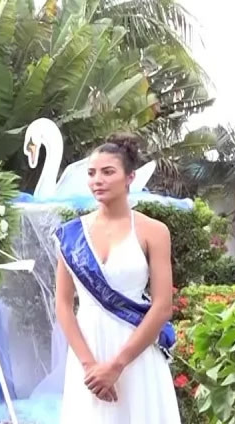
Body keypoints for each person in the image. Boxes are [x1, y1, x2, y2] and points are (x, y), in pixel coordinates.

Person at [54, 133, 181, 422]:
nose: (97, 180)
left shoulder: (154, 231)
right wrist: (90, 367)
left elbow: (162, 307)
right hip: (88, 356)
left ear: (130, 177)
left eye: (108, 172)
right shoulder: (71, 235)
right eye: (91, 173)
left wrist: (116, 366)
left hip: (136, 354)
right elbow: (62, 304)